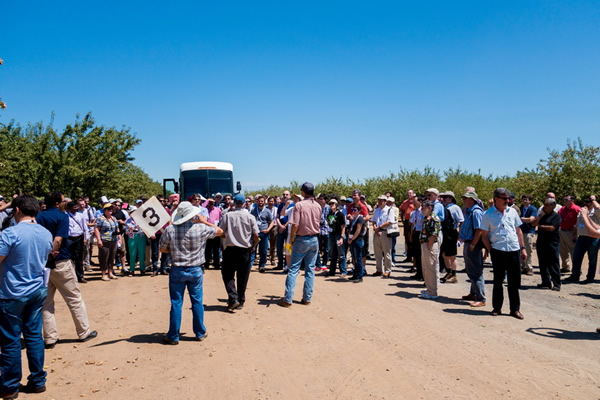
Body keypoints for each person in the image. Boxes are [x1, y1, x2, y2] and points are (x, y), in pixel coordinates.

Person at [0, 195, 53, 399]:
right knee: (33, 336)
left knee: (11, 340)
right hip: (36, 290)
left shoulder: (10, 233)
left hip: (12, 293)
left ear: (17, 210)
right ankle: (38, 380)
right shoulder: (45, 233)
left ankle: (10, 386)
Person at [36, 191, 98, 348]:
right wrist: (52, 255)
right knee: (74, 298)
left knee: (46, 303)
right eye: (63, 201)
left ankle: (50, 338)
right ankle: (84, 332)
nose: (66, 203)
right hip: (59, 262)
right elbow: (58, 239)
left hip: (41, 264)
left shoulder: (39, 216)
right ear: (57, 203)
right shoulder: (62, 216)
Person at [159, 201, 223, 345]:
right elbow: (220, 231)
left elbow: (162, 249)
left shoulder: (170, 230)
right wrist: (204, 221)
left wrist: (175, 251)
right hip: (195, 269)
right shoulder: (200, 228)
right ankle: (200, 332)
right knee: (197, 302)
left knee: (176, 303)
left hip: (177, 269)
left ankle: (173, 336)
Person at [480, 188, 527, 320]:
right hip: (498, 251)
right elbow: (484, 236)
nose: (507, 201)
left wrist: (522, 248)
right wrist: (491, 250)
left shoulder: (512, 212)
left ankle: (515, 309)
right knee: (498, 281)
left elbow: (518, 231)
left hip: (513, 250)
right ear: (496, 199)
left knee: (514, 282)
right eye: (504, 198)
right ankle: (497, 308)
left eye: (508, 198)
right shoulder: (488, 214)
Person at [278, 182, 321, 307]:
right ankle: (307, 298)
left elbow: (295, 225)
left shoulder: (299, 205)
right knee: (310, 270)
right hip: (314, 239)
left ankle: (288, 299)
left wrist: (291, 239)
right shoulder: (318, 205)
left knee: (293, 269)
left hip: (301, 239)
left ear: (303, 192)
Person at [219, 194, 259, 311]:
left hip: (230, 249)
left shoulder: (227, 216)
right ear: (244, 203)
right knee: (243, 276)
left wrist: (224, 242)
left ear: (233, 203)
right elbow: (256, 235)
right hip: (245, 250)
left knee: (227, 275)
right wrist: (252, 246)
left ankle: (233, 298)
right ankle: (240, 301)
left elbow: (221, 231)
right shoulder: (250, 217)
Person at [460, 191, 486, 307]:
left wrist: (473, 244)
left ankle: (481, 298)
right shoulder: (470, 211)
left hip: (472, 244)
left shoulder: (476, 212)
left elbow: (479, 230)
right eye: (464, 198)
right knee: (471, 269)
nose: (464, 200)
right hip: (468, 242)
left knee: (475, 271)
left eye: (466, 198)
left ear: (472, 200)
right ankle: (473, 292)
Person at [566, 195, 600, 283]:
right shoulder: (582, 211)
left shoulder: (596, 211)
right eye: (585, 201)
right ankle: (575, 275)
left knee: (592, 259)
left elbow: (598, 207)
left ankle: (590, 278)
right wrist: (574, 235)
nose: (586, 203)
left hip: (593, 238)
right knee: (576, 257)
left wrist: (593, 199)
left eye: (589, 201)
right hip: (581, 237)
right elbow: (577, 225)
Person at [532, 198, 562, 290]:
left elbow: (552, 228)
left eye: (547, 205)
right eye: (544, 204)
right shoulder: (542, 215)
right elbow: (534, 224)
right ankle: (545, 282)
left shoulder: (556, 216)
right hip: (541, 242)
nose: (544, 206)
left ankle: (556, 283)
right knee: (543, 263)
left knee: (553, 263)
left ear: (553, 206)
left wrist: (540, 226)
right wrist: (540, 216)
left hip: (552, 243)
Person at [439, 191, 464, 283]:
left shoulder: (455, 208)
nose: (444, 198)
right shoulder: (443, 207)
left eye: (446, 197)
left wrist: (460, 234)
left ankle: (454, 274)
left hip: (451, 233)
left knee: (452, 255)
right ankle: (448, 272)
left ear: (451, 198)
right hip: (444, 232)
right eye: (443, 197)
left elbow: (461, 221)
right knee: (444, 254)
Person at [419, 200, 442, 300]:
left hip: (430, 245)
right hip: (425, 244)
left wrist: (428, 246)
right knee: (426, 268)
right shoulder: (426, 218)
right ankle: (429, 289)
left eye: (423, 207)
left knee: (431, 269)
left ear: (430, 208)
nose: (421, 209)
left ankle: (432, 292)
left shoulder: (434, 219)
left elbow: (434, 234)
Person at [94, 203, 121, 281]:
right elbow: (96, 229)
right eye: (109, 209)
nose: (111, 210)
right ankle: (103, 274)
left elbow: (117, 228)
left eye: (111, 209)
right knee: (104, 257)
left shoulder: (114, 218)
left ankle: (110, 273)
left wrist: (119, 238)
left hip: (113, 240)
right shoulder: (100, 219)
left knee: (112, 257)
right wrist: (99, 240)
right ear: (105, 210)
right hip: (105, 240)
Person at [372, 195, 395, 278]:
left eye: (382, 200)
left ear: (385, 201)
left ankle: (388, 270)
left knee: (387, 252)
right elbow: (374, 220)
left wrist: (380, 228)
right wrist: (375, 227)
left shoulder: (389, 210)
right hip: (377, 233)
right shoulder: (376, 210)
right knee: (377, 252)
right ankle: (379, 269)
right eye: (379, 200)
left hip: (385, 232)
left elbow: (390, 221)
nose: (380, 202)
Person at [66, 199, 89, 283]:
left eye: (76, 207)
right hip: (69, 238)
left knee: (79, 258)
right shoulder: (66, 216)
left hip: (78, 238)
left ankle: (80, 276)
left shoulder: (80, 215)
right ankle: (71, 276)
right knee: (69, 258)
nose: (75, 209)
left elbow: (85, 227)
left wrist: (86, 238)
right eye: (73, 208)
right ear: (69, 208)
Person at [250, 195, 274, 273]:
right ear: (257, 201)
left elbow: (272, 222)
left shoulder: (267, 211)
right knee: (252, 249)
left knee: (263, 250)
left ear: (264, 202)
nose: (260, 202)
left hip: (264, 233)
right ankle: (249, 265)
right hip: (255, 233)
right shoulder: (253, 210)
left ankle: (262, 266)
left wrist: (268, 230)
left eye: (262, 201)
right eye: (259, 201)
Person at [558, 195, 580, 273]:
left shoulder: (577, 209)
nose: (565, 201)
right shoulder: (562, 209)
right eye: (564, 199)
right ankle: (565, 267)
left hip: (571, 232)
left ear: (572, 200)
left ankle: (576, 269)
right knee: (562, 250)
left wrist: (576, 233)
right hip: (562, 231)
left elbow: (580, 221)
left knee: (573, 251)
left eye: (566, 199)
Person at [326, 198, 347, 276]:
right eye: (330, 204)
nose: (331, 205)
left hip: (338, 235)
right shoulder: (330, 214)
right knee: (333, 254)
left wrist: (341, 237)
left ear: (336, 205)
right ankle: (332, 271)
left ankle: (343, 271)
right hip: (332, 235)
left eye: (333, 204)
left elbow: (343, 226)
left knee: (341, 254)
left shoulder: (340, 214)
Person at [519, 194, 538, 276]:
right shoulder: (520, 208)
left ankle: (529, 267)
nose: (524, 201)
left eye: (526, 199)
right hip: (520, 231)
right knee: (520, 249)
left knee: (528, 250)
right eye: (523, 199)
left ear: (530, 200)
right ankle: (523, 266)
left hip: (529, 232)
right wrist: (524, 219)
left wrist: (521, 219)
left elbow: (531, 219)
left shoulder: (533, 209)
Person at [347, 206, 366, 282]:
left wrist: (352, 239)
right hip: (353, 241)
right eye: (353, 209)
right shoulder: (354, 219)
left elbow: (358, 230)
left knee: (358, 258)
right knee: (354, 259)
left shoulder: (360, 219)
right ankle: (355, 274)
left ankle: (359, 276)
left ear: (359, 210)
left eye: (355, 210)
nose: (354, 211)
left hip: (358, 240)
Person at [398, 190, 416, 263]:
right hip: (407, 221)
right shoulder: (405, 202)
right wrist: (402, 219)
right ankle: (408, 256)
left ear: (413, 194)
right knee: (407, 239)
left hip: (414, 222)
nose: (409, 195)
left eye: (410, 193)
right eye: (408, 194)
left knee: (413, 239)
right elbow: (401, 210)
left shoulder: (415, 202)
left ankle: (413, 257)